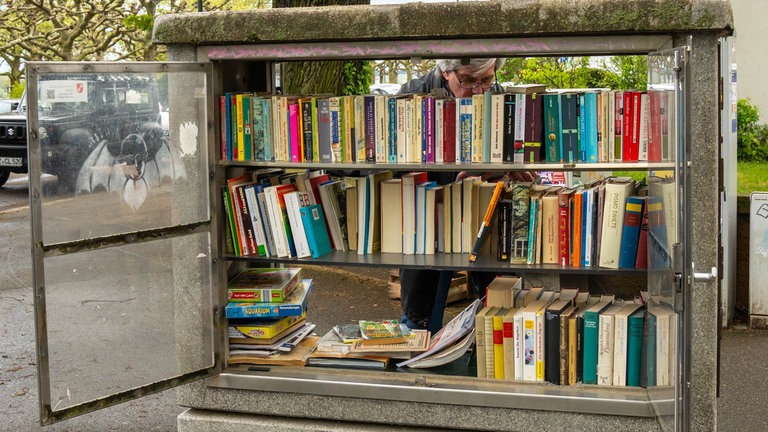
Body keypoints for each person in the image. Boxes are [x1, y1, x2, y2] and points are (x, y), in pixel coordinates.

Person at [397, 58, 536, 334]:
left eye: (486, 79)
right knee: (419, 319)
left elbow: (521, 158)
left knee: (499, 305)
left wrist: (510, 168)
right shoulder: (412, 98)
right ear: (446, 71)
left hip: (485, 217)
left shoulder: (497, 97)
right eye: (470, 80)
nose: (479, 90)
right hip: (429, 223)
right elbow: (380, 170)